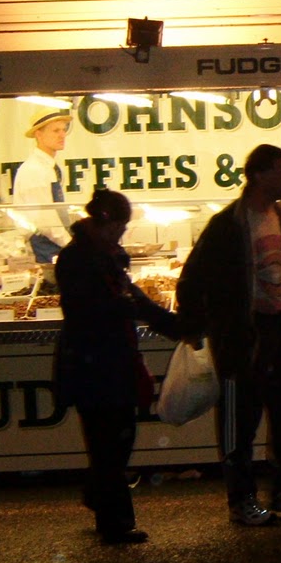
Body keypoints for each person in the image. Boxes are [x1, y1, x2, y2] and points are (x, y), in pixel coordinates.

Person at [176, 144, 281, 524]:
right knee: (239, 423)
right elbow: (193, 276)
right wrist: (199, 326)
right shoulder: (228, 224)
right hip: (244, 337)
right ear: (259, 175)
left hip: (279, 331)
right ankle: (241, 499)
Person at [54, 188, 182, 543]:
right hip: (93, 363)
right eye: (118, 227)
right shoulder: (77, 259)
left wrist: (171, 324)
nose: (121, 235)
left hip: (108, 361)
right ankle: (116, 523)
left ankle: (99, 496)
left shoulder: (104, 256)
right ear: (101, 222)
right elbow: (87, 310)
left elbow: (133, 298)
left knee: (114, 440)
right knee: (110, 441)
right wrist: (134, 310)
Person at [11, 108, 74, 262]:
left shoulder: (47, 166)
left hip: (56, 244)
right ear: (38, 134)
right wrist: (71, 245)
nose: (62, 135)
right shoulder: (34, 170)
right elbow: (45, 220)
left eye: (63, 130)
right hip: (46, 247)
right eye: (55, 131)